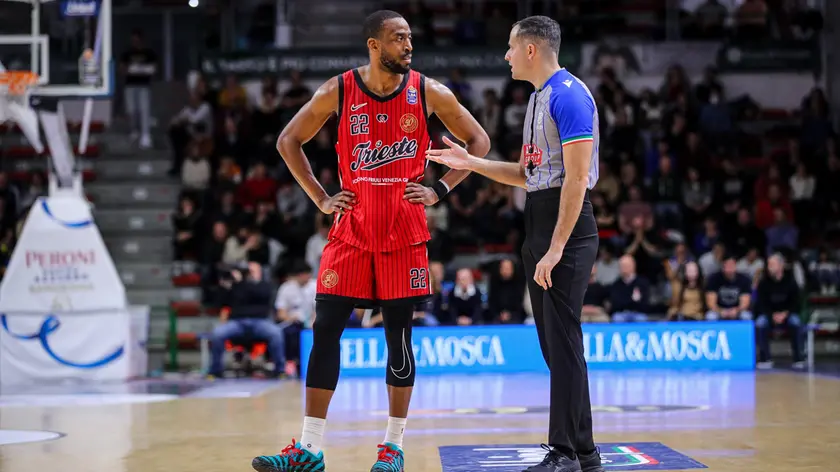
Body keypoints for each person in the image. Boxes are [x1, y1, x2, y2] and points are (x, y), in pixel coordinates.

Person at [251, 10, 490, 472]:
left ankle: (393, 447)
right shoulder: (338, 90)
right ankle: (309, 448)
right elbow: (288, 141)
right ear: (374, 45)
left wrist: (441, 188)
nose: (409, 45)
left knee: (398, 337)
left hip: (404, 234)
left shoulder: (429, 91)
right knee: (325, 330)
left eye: (410, 37)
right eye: (398, 38)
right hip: (351, 233)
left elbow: (478, 141)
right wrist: (320, 198)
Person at [426, 15, 604, 472]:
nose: (505, 56)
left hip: (566, 227)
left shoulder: (569, 96)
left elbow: (576, 179)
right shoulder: (538, 98)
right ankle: (585, 452)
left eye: (510, 47)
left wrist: (557, 247)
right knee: (557, 348)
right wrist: (471, 163)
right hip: (539, 221)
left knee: (564, 344)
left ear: (530, 49)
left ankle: (564, 452)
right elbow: (527, 176)